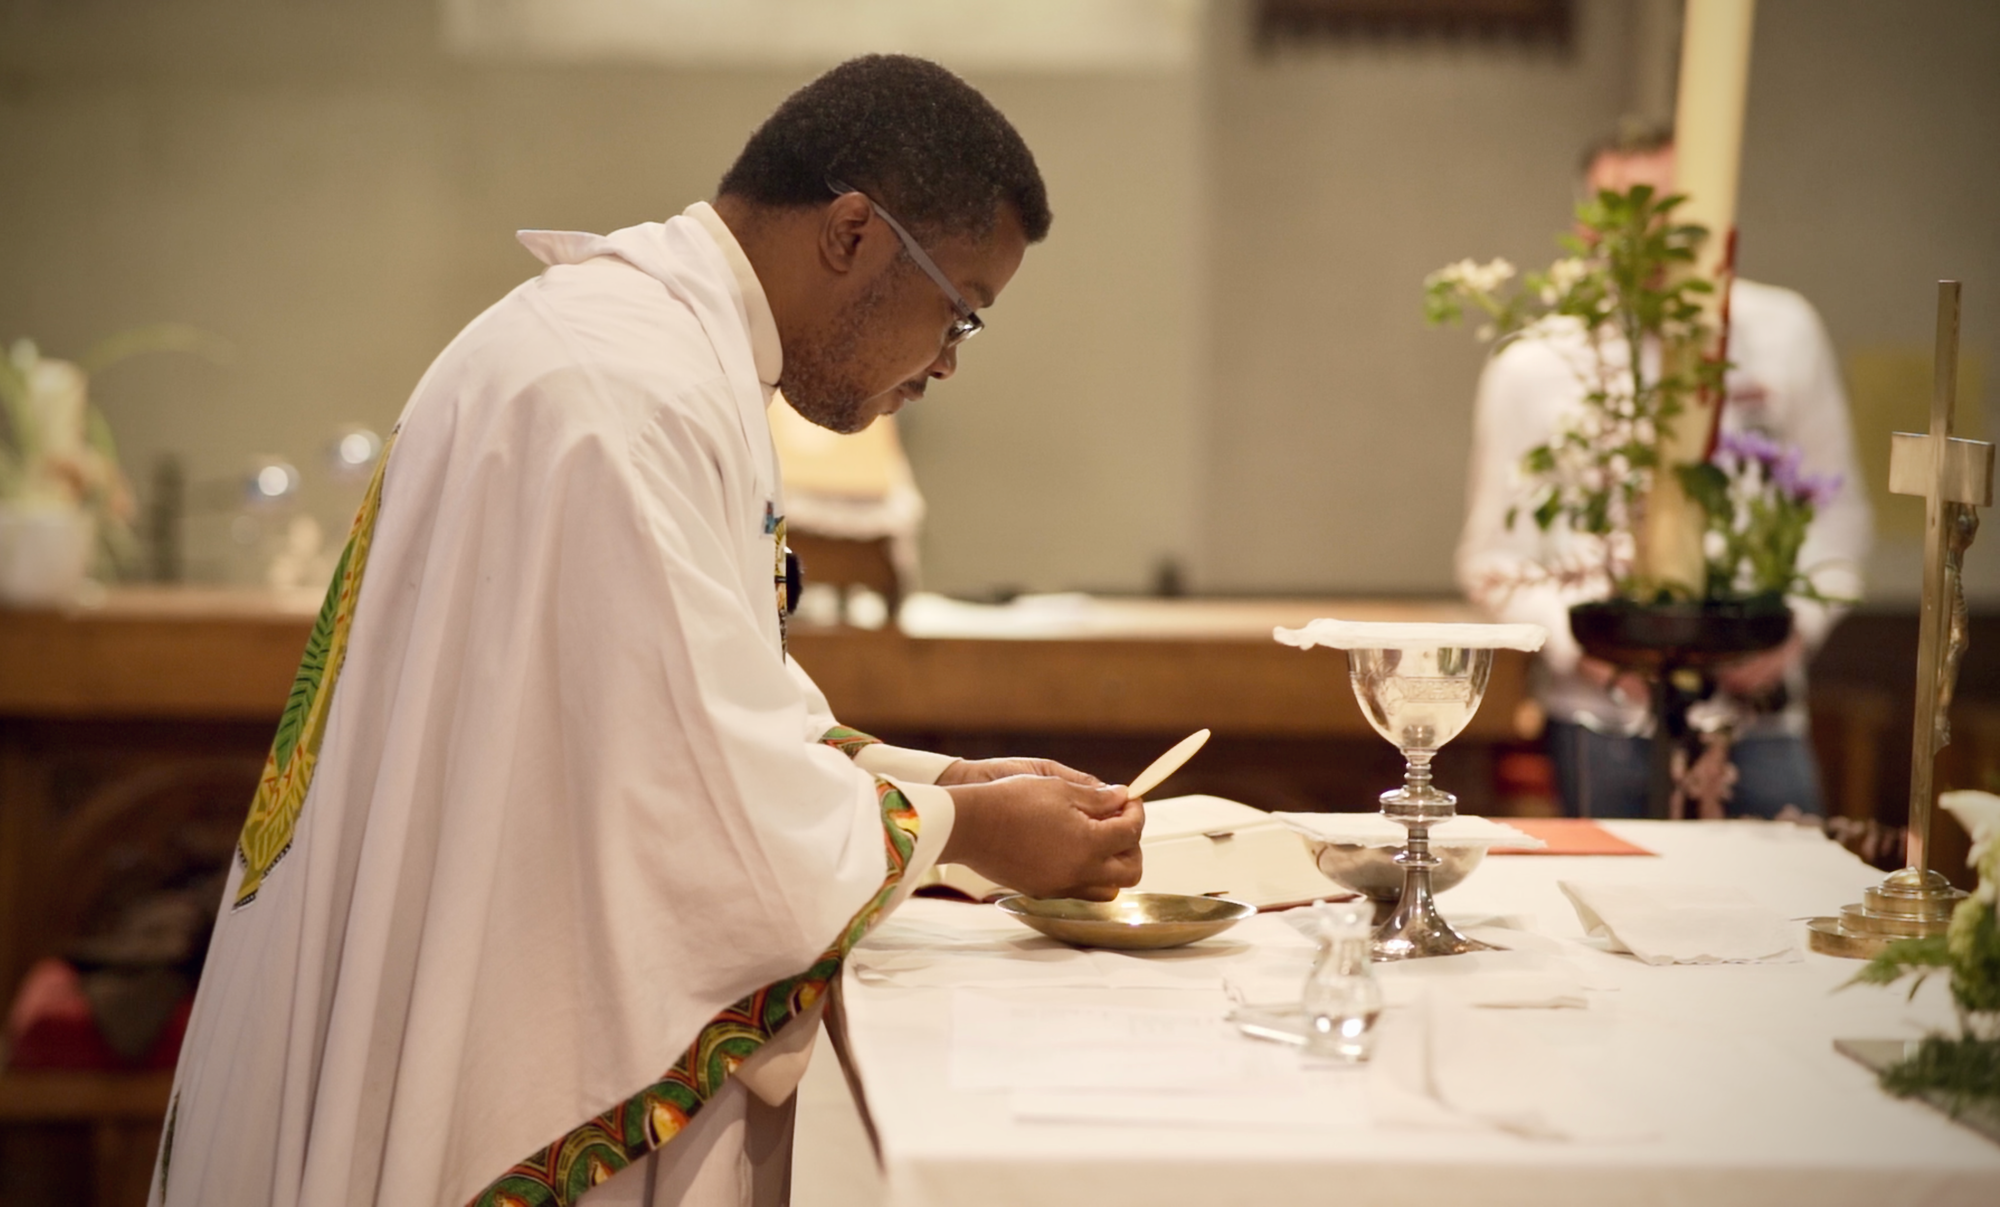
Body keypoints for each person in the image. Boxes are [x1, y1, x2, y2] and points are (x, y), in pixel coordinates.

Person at [153, 55, 1145, 1207]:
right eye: (959, 308)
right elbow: (687, 806)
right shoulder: (627, 390)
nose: (946, 363)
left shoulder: (657, 350)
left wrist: (932, 780)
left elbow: (688, 709)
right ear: (853, 234)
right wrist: (970, 828)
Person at [1455, 123, 1872, 820]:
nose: (1649, 237)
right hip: (1606, 720)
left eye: (1671, 210)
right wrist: (1587, 643)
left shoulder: (1783, 331)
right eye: (1623, 213)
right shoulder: (1536, 363)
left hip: (1759, 713)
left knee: (1788, 911)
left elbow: (1840, 509)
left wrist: (1796, 624)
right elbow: (1492, 559)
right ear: (1589, 229)